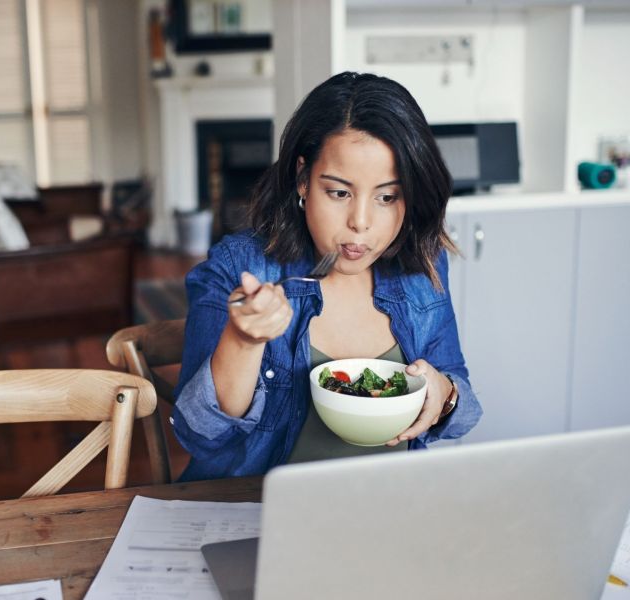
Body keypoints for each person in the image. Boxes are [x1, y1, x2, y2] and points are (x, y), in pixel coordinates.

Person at [171, 72, 482, 481]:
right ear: (303, 179)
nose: (361, 223)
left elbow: (461, 399)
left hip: (390, 511)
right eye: (339, 193)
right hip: (261, 518)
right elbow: (199, 434)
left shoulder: (421, 264)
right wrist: (244, 340)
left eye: (387, 197)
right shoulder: (240, 266)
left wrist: (445, 394)